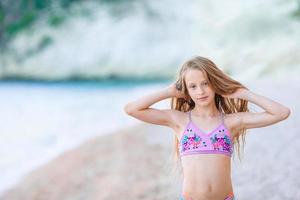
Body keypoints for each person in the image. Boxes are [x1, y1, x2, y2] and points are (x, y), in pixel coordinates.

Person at [124, 56, 290, 200]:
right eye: (193, 86)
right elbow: (131, 109)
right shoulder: (179, 120)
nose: (201, 91)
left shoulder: (231, 122)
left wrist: (244, 94)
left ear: (215, 84)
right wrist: (169, 91)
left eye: (206, 83)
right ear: (186, 90)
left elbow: (281, 113)